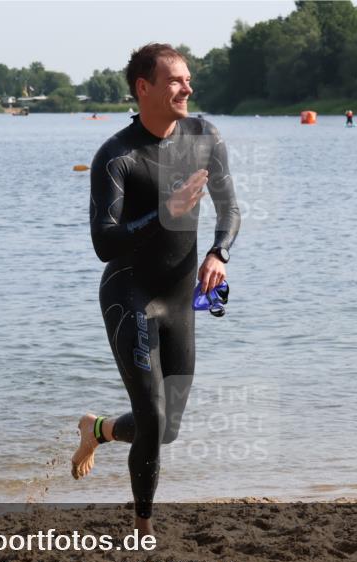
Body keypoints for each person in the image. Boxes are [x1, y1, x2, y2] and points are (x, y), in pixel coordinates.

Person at [72, 43, 241, 534]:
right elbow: (104, 243)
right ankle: (142, 529)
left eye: (187, 79)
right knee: (150, 418)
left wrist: (219, 253)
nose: (187, 87)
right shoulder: (116, 156)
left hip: (180, 298)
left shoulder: (204, 136)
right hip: (131, 298)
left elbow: (230, 208)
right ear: (144, 87)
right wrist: (165, 213)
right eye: (175, 80)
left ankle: (97, 428)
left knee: (166, 429)